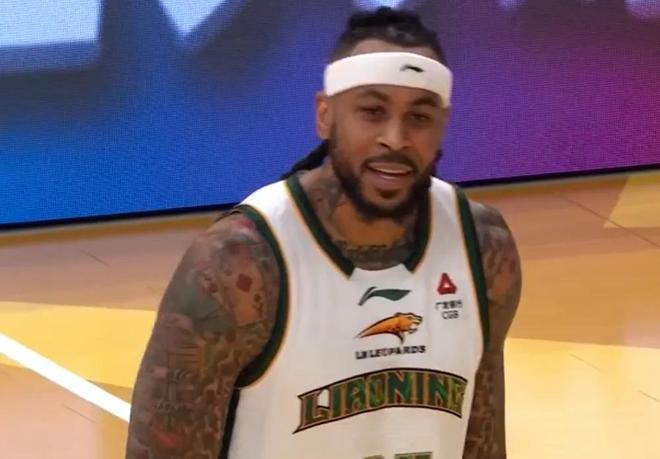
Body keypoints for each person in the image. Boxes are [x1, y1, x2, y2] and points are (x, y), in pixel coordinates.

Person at [126, 7, 521, 459]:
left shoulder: (482, 248)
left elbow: (483, 442)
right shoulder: (239, 265)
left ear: (443, 124)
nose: (395, 138)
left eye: (420, 116)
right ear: (325, 115)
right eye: (372, 112)